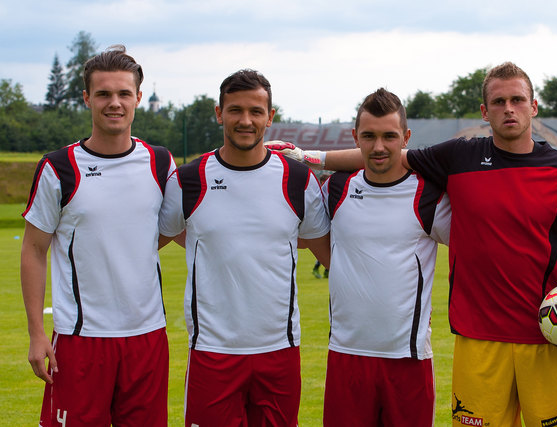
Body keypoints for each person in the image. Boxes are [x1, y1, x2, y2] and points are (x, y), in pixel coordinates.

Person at [268, 62, 557, 426]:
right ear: (485, 112)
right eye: (499, 101)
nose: (509, 109)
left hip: (549, 335)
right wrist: (311, 158)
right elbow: (384, 156)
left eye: (517, 99)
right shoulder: (459, 158)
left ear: (533, 106)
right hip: (477, 341)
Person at [158, 69, 330, 426]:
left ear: (271, 116)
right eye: (235, 110)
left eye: (256, 111)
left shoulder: (297, 180)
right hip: (212, 351)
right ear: (219, 113)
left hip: (279, 350)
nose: (245, 120)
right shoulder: (189, 180)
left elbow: (323, 249)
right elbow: (162, 235)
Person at [20, 45, 176, 426]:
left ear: (138, 98)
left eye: (124, 93)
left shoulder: (159, 162)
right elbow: (34, 250)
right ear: (87, 98)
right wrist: (37, 334)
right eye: (104, 94)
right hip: (79, 337)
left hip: (148, 336)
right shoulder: (59, 167)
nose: (115, 103)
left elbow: (176, 231)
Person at [321, 88, 450, 426]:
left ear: (405, 137)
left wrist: (555, 261)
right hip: (346, 355)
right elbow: (300, 235)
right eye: (369, 136)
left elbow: (481, 245)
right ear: (355, 138)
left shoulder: (429, 194)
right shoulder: (336, 188)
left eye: (389, 136)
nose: (379, 147)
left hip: (408, 358)